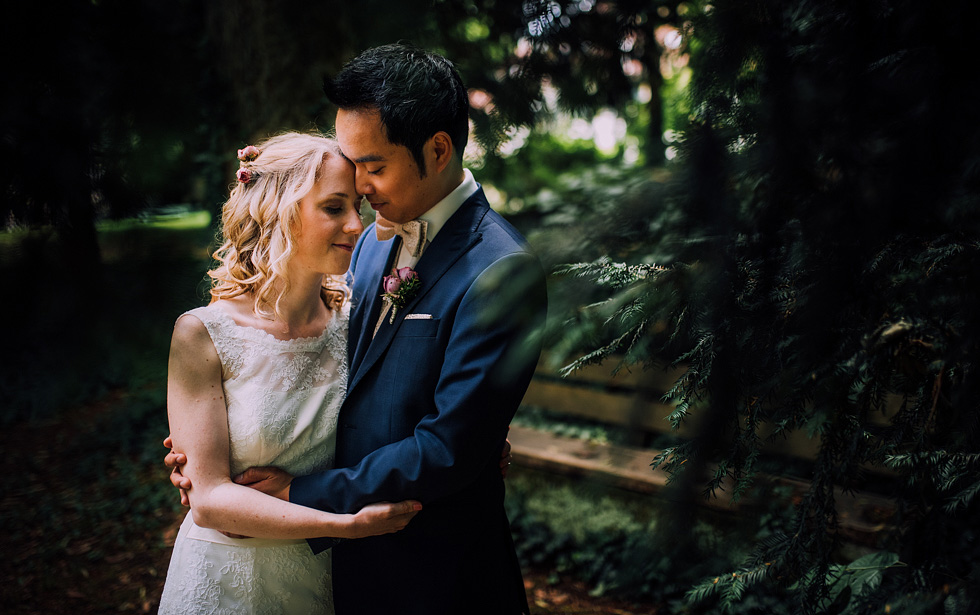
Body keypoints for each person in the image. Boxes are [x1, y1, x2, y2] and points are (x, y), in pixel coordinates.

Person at [169, 43, 547, 614]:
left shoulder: (501, 268)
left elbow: (447, 448)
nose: (361, 189)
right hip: (337, 574)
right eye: (352, 165)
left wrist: (300, 492)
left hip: (436, 574)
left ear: (438, 149)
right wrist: (209, 455)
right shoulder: (367, 246)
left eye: (373, 166)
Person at [157, 132, 422, 615]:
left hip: (326, 578)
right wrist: (347, 525)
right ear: (278, 211)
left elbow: (397, 417)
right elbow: (211, 501)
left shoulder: (356, 325)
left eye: (357, 207)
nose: (355, 225)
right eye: (334, 208)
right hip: (229, 578)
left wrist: (473, 439)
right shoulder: (203, 334)